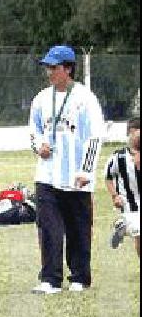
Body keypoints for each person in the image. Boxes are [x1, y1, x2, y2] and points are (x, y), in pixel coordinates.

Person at [29, 45, 104, 294]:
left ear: (68, 69)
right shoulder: (40, 99)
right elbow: (34, 131)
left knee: (77, 228)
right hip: (47, 176)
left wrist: (86, 170)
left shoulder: (85, 99)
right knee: (48, 227)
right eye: (47, 67)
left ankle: (80, 277)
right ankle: (50, 279)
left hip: (76, 177)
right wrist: (39, 146)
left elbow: (95, 137)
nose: (49, 72)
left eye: (54, 67)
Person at [106, 117, 140, 254]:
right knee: (139, 235)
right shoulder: (118, 157)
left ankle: (122, 226)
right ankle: (123, 226)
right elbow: (108, 177)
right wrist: (115, 196)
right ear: (129, 134)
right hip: (129, 204)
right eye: (134, 133)